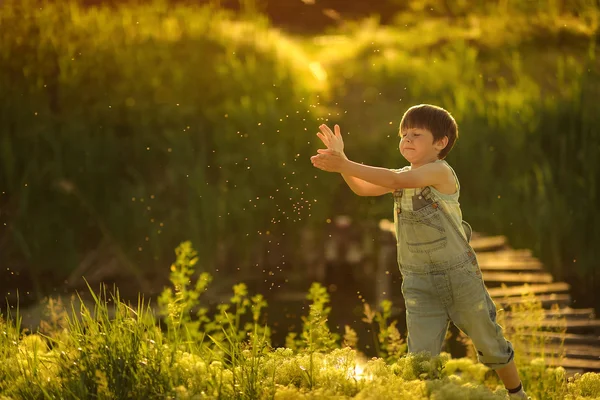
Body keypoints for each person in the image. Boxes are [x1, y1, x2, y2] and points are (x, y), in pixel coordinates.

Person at [310, 104, 529, 399]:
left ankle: (517, 394)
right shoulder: (401, 175)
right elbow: (363, 188)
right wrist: (344, 160)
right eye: (403, 134)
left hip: (459, 276)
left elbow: (395, 180)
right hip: (418, 280)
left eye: (416, 134)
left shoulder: (440, 171)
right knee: (420, 357)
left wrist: (344, 165)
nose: (406, 139)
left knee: (489, 341)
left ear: (441, 143)